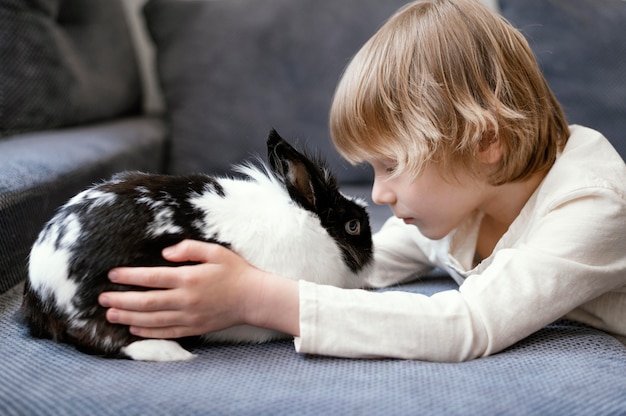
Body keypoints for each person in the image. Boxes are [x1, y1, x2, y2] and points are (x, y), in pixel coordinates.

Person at [98, 0, 626, 362]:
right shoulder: (461, 201)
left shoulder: (591, 203)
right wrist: (222, 280)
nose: (377, 195)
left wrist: (255, 299)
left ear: (485, 143)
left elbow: (465, 325)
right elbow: (358, 272)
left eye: (391, 166)